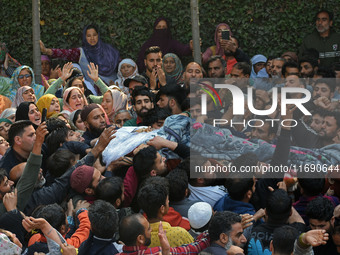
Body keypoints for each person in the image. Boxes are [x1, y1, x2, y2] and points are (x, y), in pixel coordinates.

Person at [41, 24, 120, 86]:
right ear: (85, 37)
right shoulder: (82, 52)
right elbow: (65, 53)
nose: (92, 38)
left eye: (94, 35)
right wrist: (46, 51)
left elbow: (122, 65)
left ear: (98, 35)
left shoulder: (109, 50)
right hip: (93, 90)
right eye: (89, 36)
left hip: (113, 86)